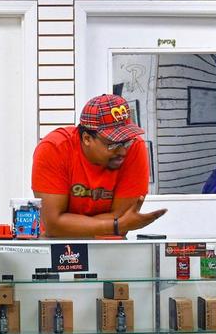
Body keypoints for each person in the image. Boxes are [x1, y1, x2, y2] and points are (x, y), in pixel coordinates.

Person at [31, 93, 166, 237]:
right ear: (87, 138)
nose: (123, 151)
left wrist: (71, 224)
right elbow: (53, 225)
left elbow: (125, 219)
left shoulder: (135, 146)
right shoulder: (54, 148)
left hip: (108, 247)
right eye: (113, 144)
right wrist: (116, 226)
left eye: (127, 141)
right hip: (59, 248)